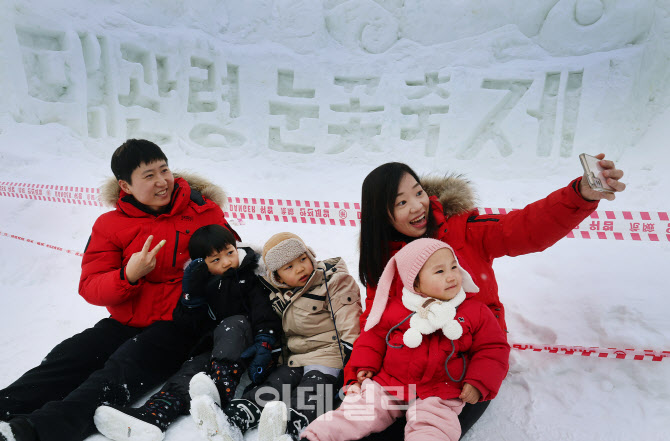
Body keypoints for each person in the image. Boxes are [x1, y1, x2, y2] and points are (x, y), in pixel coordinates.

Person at [342, 154, 626, 441]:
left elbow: (528, 226)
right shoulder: (382, 256)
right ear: (382, 214)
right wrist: (359, 369)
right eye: (401, 202)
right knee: (358, 427)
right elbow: (376, 319)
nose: (417, 206)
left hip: (465, 363)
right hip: (405, 365)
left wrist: (579, 195)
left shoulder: (463, 229)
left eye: (418, 192)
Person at [0, 139, 239, 441]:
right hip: (126, 321)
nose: (161, 181)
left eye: (164, 170)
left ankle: (32, 431)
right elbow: (90, 286)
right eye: (148, 175)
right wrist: (129, 275)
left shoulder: (204, 212)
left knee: (120, 370)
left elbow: (232, 259)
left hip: (180, 325)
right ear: (125, 186)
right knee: (71, 356)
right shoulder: (110, 225)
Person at [301, 238, 510, 441]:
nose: (451, 276)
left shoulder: (475, 311)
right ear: (415, 283)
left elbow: (493, 348)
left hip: (441, 390)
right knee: (360, 410)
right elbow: (371, 338)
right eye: (440, 271)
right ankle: (317, 436)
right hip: (391, 384)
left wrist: (478, 382)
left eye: (454, 267)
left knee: (434, 427)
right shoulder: (395, 308)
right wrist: (363, 366)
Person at [93, 224, 282, 441]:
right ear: (203, 265)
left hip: (246, 343)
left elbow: (264, 313)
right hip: (214, 346)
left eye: (229, 253)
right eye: (216, 260)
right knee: (190, 371)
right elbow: (187, 323)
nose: (227, 262)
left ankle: (221, 387)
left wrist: (265, 340)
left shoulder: (249, 276)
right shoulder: (204, 284)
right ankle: (154, 415)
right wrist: (191, 295)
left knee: (235, 323)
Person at [188, 232, 362, 441]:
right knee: (273, 385)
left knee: (312, 392)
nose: (300, 268)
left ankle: (290, 428)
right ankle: (234, 420)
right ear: (277, 276)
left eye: (303, 259)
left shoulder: (334, 281)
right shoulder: (275, 293)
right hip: (295, 358)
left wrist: (353, 363)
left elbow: (349, 321)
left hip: (330, 358)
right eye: (289, 267)